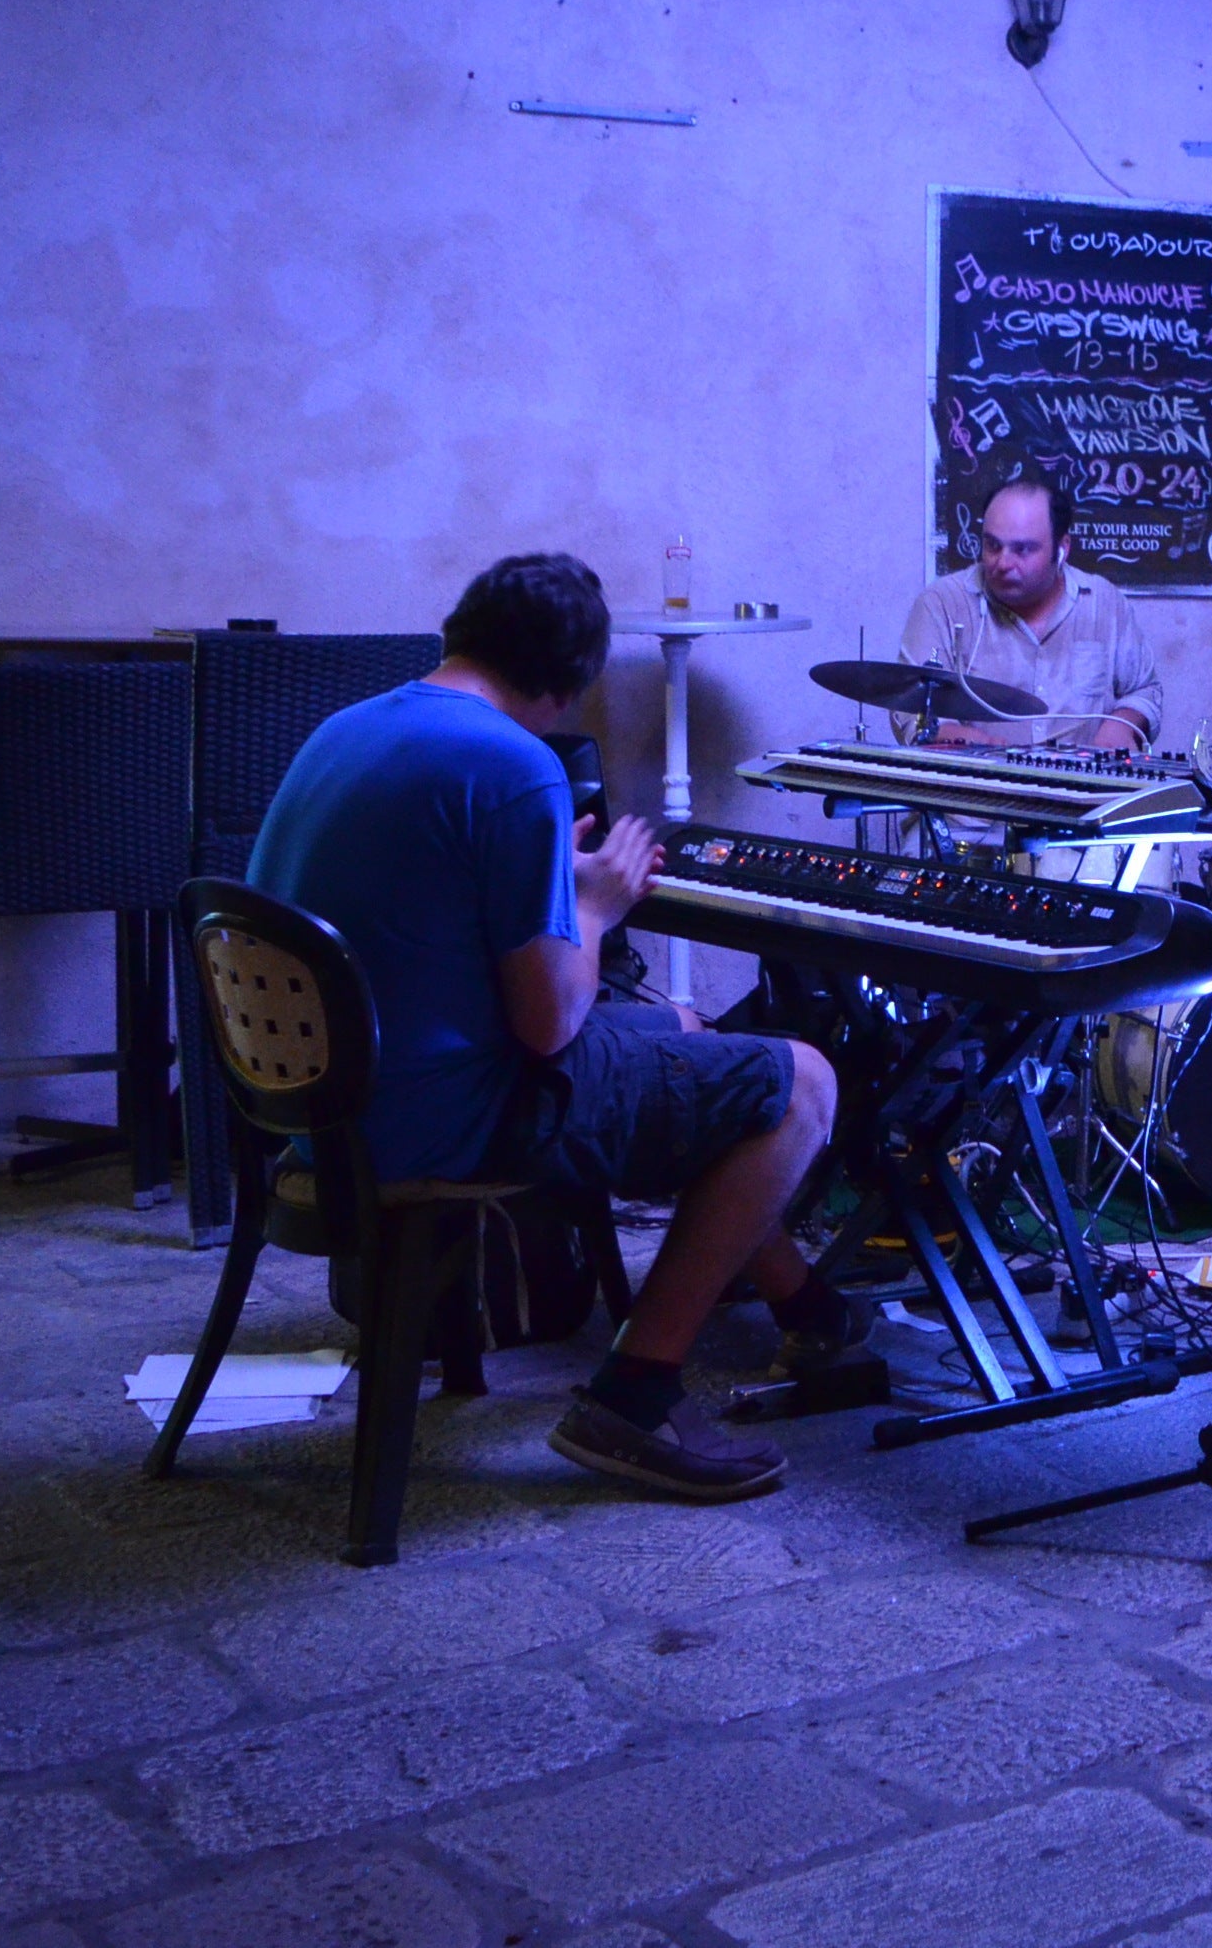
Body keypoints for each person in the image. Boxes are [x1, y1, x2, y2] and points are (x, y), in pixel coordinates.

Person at [250, 552, 852, 1500]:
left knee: (689, 1034)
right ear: (568, 684)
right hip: (442, 1118)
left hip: (321, 1112)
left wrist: (548, 884)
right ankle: (634, 1395)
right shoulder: (514, 764)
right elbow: (549, 1027)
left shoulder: (348, 728)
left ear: (462, 632)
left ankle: (812, 1311)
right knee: (802, 1082)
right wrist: (602, 903)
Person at [898, 476, 1164, 753]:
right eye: (992, 546)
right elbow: (912, 705)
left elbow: (1144, 690)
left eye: (1022, 550)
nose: (1003, 563)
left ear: (1062, 549)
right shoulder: (942, 603)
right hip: (979, 785)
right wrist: (950, 734)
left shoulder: (1103, 603)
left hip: (1084, 789)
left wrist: (1123, 723)